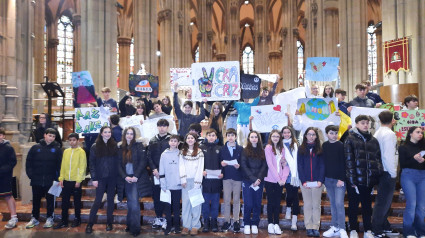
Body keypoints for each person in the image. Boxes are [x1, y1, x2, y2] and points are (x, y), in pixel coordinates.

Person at [344, 115, 383, 238]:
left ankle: (368, 230)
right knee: (353, 206)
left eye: (367, 123)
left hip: (369, 180)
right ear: (357, 124)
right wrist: (352, 180)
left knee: (367, 206)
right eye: (362, 123)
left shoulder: (374, 140)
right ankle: (353, 229)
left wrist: (376, 176)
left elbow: (377, 159)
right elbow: (349, 161)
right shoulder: (350, 139)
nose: (365, 125)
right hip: (355, 180)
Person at [25, 128, 62, 229]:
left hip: (51, 180)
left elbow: (60, 165)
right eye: (50, 135)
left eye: (53, 136)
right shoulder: (35, 148)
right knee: (36, 200)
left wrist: (57, 178)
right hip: (36, 179)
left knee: (50, 201)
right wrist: (31, 175)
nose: (51, 138)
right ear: (45, 135)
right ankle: (34, 218)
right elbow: (28, 162)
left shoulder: (57, 149)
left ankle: (50, 218)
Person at [371, 111, 400, 238]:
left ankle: (384, 225)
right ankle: (377, 229)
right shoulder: (389, 134)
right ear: (393, 120)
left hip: (382, 170)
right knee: (383, 202)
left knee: (384, 202)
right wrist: (393, 173)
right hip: (387, 171)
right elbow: (388, 155)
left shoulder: (378, 132)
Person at [86, 126, 118, 234]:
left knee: (110, 200)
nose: (108, 134)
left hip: (112, 178)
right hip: (100, 178)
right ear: (101, 133)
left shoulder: (114, 145)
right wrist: (94, 178)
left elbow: (117, 162)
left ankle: (109, 223)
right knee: (98, 201)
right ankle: (90, 224)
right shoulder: (95, 146)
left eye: (109, 132)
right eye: (105, 132)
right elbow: (92, 164)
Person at [118, 127, 148, 237]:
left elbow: (143, 161)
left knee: (134, 204)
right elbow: (118, 165)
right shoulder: (120, 147)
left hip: (135, 178)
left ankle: (135, 228)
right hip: (126, 179)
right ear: (124, 135)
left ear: (134, 135)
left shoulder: (139, 146)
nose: (129, 135)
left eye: (131, 134)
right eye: (128, 133)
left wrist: (136, 176)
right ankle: (130, 224)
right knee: (130, 203)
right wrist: (125, 177)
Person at [54, 133, 87, 229]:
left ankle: (77, 219)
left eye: (74, 140)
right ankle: (64, 221)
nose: (72, 142)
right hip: (66, 181)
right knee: (65, 202)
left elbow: (82, 167)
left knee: (77, 201)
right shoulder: (66, 151)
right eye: (70, 140)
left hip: (76, 181)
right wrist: (61, 178)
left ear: (78, 141)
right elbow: (63, 166)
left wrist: (78, 180)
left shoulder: (81, 152)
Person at [297, 127, 325, 237]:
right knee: (308, 204)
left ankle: (315, 227)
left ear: (316, 136)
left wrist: (320, 180)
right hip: (305, 182)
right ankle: (309, 227)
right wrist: (303, 181)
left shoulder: (320, 149)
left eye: (313, 134)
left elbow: (322, 165)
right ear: (305, 136)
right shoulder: (301, 149)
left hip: (317, 182)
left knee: (316, 205)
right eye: (309, 134)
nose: (311, 136)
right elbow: (300, 165)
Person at [398, 126, 425, 238]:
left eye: (422, 132)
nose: (420, 134)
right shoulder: (403, 147)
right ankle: (408, 231)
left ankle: (420, 231)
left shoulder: (423, 146)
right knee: (412, 204)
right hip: (408, 176)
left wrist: (423, 160)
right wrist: (414, 158)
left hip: (422, 176)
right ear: (410, 134)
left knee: (422, 206)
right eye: (417, 132)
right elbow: (403, 164)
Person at [322, 125, 348, 238]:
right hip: (328, 179)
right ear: (327, 133)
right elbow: (324, 163)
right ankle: (334, 227)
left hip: (339, 181)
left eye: (336, 133)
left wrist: (341, 179)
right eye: (331, 133)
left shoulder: (341, 145)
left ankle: (342, 228)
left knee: (339, 203)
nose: (334, 135)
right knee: (333, 204)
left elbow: (344, 163)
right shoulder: (324, 145)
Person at [240, 131, 267, 235]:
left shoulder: (262, 151)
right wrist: (253, 179)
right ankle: (246, 223)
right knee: (248, 203)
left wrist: (259, 179)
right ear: (249, 138)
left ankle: (255, 223)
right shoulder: (245, 151)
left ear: (259, 139)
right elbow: (244, 165)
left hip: (259, 182)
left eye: (256, 137)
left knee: (256, 203)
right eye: (252, 137)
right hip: (247, 181)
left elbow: (264, 166)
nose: (254, 139)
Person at [147, 119, 171, 230]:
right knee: (156, 196)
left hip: (168, 174)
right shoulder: (152, 140)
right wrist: (154, 169)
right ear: (157, 127)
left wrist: (165, 171)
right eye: (160, 126)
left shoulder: (172, 139)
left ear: (167, 127)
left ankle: (167, 219)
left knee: (166, 196)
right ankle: (159, 218)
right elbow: (149, 156)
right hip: (155, 174)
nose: (162, 128)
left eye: (164, 126)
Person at [264, 130, 289, 235]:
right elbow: (270, 164)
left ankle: (276, 224)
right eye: (273, 136)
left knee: (277, 202)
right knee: (270, 202)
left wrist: (283, 178)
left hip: (280, 181)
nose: (275, 138)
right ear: (270, 137)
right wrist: (278, 178)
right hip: (270, 179)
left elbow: (285, 165)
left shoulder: (282, 149)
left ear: (280, 138)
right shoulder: (268, 148)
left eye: (277, 136)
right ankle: (270, 223)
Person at [179, 132, 204, 236]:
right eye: (188, 138)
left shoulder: (199, 152)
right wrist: (183, 179)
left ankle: (195, 225)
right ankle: (186, 225)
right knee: (186, 204)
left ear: (195, 140)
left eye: (192, 138)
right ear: (186, 140)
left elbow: (200, 167)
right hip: (186, 181)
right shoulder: (182, 152)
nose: (190, 140)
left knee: (196, 204)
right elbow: (181, 166)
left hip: (196, 181)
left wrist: (198, 182)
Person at [219, 128, 243, 233]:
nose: (230, 137)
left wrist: (239, 166)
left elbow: (243, 163)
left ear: (236, 137)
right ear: (226, 137)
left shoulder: (241, 149)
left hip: (237, 177)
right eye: (228, 135)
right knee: (227, 200)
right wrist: (221, 165)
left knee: (237, 200)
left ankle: (236, 220)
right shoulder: (222, 149)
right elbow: (219, 162)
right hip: (226, 177)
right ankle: (227, 220)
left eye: (232, 135)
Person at [200, 129, 222, 233]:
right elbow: (198, 163)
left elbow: (223, 163)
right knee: (205, 203)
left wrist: (223, 173)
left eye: (213, 135)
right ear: (206, 137)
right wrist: (201, 171)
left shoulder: (220, 149)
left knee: (215, 203)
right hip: (205, 181)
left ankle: (214, 221)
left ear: (216, 137)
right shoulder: (201, 148)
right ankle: (206, 222)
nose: (211, 137)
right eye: (209, 135)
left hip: (217, 180)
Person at [159, 135, 183, 235]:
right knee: (168, 208)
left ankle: (177, 226)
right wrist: (163, 184)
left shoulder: (181, 154)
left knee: (177, 207)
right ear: (169, 142)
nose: (173, 143)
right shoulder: (164, 154)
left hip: (177, 185)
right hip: (167, 186)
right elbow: (161, 170)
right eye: (171, 141)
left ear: (178, 143)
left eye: (175, 141)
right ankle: (168, 226)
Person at [281, 126, 300, 231]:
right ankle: (288, 207)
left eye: (288, 132)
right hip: (286, 174)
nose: (287, 134)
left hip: (296, 174)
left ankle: (294, 221)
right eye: (285, 132)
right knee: (289, 195)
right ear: (282, 134)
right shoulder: (280, 145)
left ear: (291, 133)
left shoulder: (296, 144)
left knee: (295, 196)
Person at [0, 127, 18, 229]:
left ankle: (13, 218)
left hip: (5, 176)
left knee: (8, 196)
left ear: (3, 136)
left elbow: (12, 162)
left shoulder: (8, 148)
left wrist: (2, 170)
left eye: (0, 135)